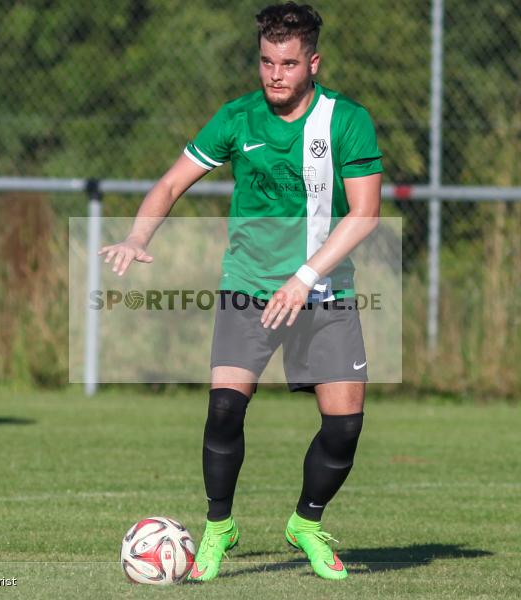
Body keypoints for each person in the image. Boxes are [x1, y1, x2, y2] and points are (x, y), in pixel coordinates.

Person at [100, 2, 381, 581]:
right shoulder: (236, 119)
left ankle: (306, 521)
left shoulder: (347, 121)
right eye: (266, 62)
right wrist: (136, 234)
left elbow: (365, 214)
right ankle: (219, 527)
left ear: (313, 63)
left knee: (344, 427)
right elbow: (171, 183)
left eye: (288, 63)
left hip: (322, 292)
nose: (275, 74)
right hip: (248, 289)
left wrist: (304, 278)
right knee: (225, 408)